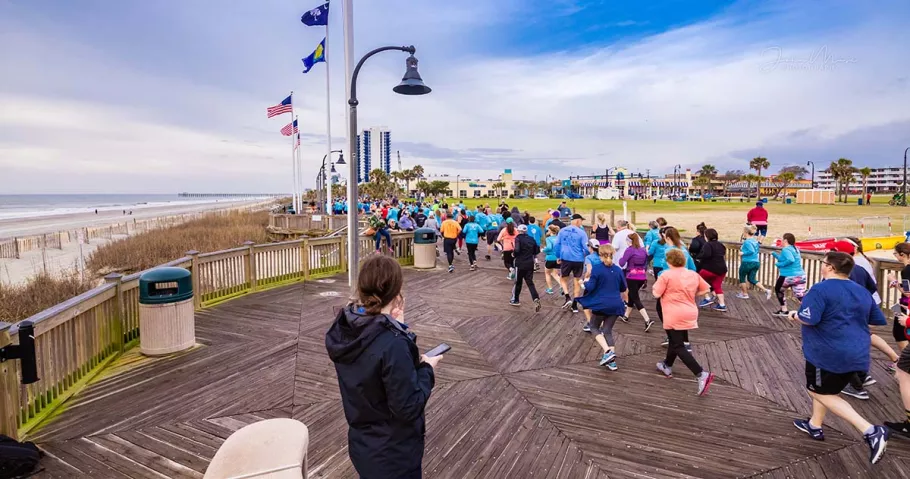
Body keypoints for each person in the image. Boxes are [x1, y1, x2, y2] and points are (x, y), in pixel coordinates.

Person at [325, 255, 442, 479]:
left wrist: (396, 325)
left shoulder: (346, 328)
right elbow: (408, 407)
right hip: (393, 454)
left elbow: (373, 369)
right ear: (397, 291)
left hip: (364, 445)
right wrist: (427, 368)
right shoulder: (392, 343)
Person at [789, 251, 889, 465]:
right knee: (828, 390)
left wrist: (793, 315)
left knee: (816, 391)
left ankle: (870, 431)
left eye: (823, 263)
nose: (822, 266)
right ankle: (815, 425)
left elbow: (809, 319)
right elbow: (874, 320)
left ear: (830, 268)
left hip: (827, 352)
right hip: (857, 352)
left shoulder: (820, 289)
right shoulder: (861, 291)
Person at [652, 248, 716, 396]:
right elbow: (706, 289)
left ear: (669, 261)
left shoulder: (666, 275)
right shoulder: (692, 274)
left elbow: (656, 293)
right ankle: (666, 364)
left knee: (678, 345)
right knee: (676, 340)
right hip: (689, 311)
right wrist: (691, 293)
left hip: (673, 313)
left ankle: (701, 374)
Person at [577, 244, 627, 371]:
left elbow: (591, 287)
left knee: (593, 326)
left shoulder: (597, 269)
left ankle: (607, 351)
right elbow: (622, 288)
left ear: (600, 255)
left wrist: (583, 283)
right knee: (607, 330)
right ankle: (612, 362)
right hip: (616, 304)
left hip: (601, 304)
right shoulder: (618, 270)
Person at [619, 232, 654, 331]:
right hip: (642, 276)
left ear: (629, 241)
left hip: (631, 276)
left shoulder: (629, 250)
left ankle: (647, 320)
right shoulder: (643, 250)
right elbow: (645, 263)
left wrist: (621, 258)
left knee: (635, 298)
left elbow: (622, 263)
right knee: (632, 295)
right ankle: (626, 316)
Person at [556, 214, 590, 313]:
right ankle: (575, 305)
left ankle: (567, 297)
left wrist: (558, 256)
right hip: (578, 259)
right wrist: (583, 254)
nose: (581, 223)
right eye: (581, 221)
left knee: (563, 278)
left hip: (566, 258)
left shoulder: (562, 231)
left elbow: (557, 245)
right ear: (578, 221)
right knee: (577, 281)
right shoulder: (582, 233)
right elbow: (587, 248)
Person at [771, 233, 807, 317]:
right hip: (800, 276)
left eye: (782, 239)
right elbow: (784, 258)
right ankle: (811, 310)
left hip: (788, 276)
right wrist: (775, 254)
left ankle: (784, 310)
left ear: (786, 241)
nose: (781, 241)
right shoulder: (795, 249)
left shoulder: (786, 249)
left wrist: (780, 265)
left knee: (778, 290)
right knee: (800, 295)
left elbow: (790, 260)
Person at [696, 228, 728, 312]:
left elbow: (706, 255)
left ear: (707, 237)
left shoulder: (708, 245)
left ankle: (707, 298)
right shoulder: (721, 244)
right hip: (722, 269)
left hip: (710, 269)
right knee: (717, 286)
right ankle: (722, 305)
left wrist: (698, 258)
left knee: (699, 281)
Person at [511, 225, 542, 312]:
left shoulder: (518, 238)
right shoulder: (531, 239)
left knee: (518, 282)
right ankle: (535, 298)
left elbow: (517, 250)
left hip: (520, 263)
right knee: (530, 283)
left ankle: (516, 300)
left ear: (518, 230)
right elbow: (536, 251)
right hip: (529, 263)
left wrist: (514, 254)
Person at [737, 225, 772, 300]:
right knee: (751, 279)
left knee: (742, 277)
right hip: (756, 262)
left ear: (745, 232)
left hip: (747, 262)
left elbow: (751, 251)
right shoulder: (755, 241)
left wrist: (742, 253)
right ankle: (766, 290)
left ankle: (745, 294)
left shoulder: (747, 242)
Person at [888, 242, 910, 352]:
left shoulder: (906, 270)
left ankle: (905, 361)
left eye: (895, 253)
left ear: (902, 254)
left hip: (906, 304)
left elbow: (907, 292)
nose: (895, 256)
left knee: (899, 333)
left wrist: (894, 281)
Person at [542, 225, 562, 294]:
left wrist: (543, 250)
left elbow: (549, 247)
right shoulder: (559, 239)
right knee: (555, 274)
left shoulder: (549, 239)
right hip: (557, 258)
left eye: (548, 230)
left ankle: (550, 289)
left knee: (547, 273)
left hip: (550, 258)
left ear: (550, 231)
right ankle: (561, 285)